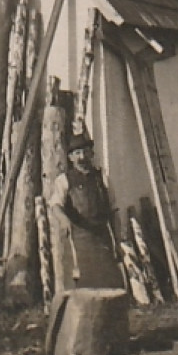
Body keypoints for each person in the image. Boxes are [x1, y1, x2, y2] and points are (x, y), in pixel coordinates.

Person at [45, 125, 124, 293]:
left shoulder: (103, 179)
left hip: (103, 241)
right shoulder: (64, 181)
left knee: (109, 287)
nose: (82, 157)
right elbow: (55, 205)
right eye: (77, 153)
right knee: (81, 290)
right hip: (78, 242)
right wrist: (64, 219)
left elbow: (114, 211)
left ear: (91, 153)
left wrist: (119, 240)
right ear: (71, 157)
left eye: (85, 152)